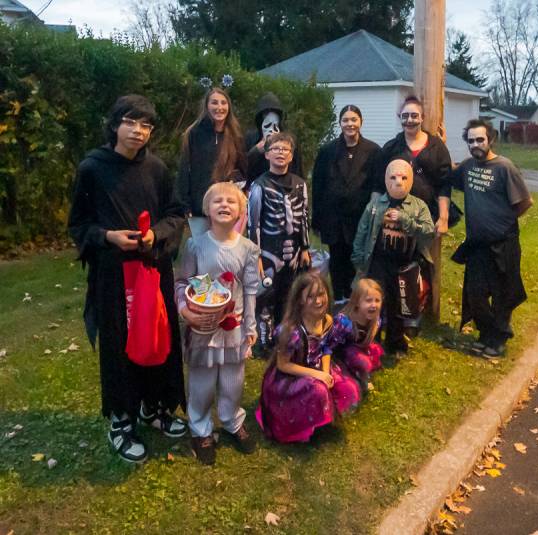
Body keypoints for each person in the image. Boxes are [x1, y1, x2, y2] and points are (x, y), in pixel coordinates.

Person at [68, 95, 186, 463]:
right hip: (115, 276)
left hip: (153, 269)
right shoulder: (93, 168)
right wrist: (108, 237)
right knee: (121, 347)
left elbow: (176, 213)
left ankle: (156, 408)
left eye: (146, 125)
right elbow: (79, 225)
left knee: (158, 338)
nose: (139, 131)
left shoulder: (157, 169)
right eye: (131, 122)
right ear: (115, 124)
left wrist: (158, 235)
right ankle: (121, 420)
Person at [175, 182, 260, 465]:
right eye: (217, 201)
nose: (224, 205)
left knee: (233, 381)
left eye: (231, 201)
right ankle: (200, 428)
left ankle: (232, 420)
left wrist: (250, 326)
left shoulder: (248, 249)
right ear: (207, 210)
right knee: (202, 383)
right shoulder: (196, 245)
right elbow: (182, 283)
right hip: (203, 328)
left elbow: (249, 289)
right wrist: (185, 309)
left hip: (233, 328)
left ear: (240, 211)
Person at [449, 119, 532, 358]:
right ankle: (485, 334)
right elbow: (448, 173)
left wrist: (503, 221)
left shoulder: (505, 167)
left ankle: (498, 340)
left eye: (480, 140)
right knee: (475, 293)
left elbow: (526, 202)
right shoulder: (468, 167)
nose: (476, 144)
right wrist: (441, 142)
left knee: (502, 293)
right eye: (471, 140)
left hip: (503, 243)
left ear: (490, 139)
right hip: (477, 244)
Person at [255, 272, 361, 443]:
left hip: (316, 367)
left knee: (348, 389)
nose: (318, 301)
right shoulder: (292, 330)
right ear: (300, 300)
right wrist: (317, 375)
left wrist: (325, 372)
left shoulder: (326, 321)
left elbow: (327, 348)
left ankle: (320, 419)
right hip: (290, 376)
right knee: (318, 390)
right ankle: (302, 426)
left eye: (321, 294)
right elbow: (283, 365)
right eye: (310, 297)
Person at [352, 159, 435, 355]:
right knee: (374, 301)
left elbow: (429, 233)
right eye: (393, 177)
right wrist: (358, 259)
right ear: (386, 179)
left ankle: (395, 342)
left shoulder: (418, 206)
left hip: (404, 264)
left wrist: (406, 220)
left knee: (399, 303)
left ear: (411, 180)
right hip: (378, 262)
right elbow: (362, 231)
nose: (398, 182)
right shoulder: (375, 205)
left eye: (404, 177)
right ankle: (373, 339)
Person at [311, 105, 381, 304]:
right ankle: (339, 297)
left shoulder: (373, 151)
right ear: (340, 123)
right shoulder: (327, 151)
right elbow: (318, 185)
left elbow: (377, 183)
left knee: (356, 258)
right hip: (333, 217)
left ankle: (356, 296)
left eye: (354, 119)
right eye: (346, 120)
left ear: (360, 122)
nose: (350, 124)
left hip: (359, 218)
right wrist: (316, 220)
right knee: (336, 257)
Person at [247, 132, 311, 336]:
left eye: (285, 149)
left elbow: (304, 218)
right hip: (268, 250)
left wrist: (305, 248)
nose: (280, 153)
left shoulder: (300, 184)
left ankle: (284, 335)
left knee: (289, 294)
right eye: (275, 149)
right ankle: (264, 339)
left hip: (294, 251)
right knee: (266, 294)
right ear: (266, 155)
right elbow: (253, 224)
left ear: (291, 156)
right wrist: (255, 254)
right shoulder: (259, 186)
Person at [374, 95, 452, 236]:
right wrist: (375, 212)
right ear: (400, 118)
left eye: (414, 116)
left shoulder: (437, 147)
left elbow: (444, 184)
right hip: (396, 215)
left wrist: (443, 217)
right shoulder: (391, 148)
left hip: (429, 216)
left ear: (422, 117)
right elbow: (379, 182)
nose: (409, 120)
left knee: (427, 257)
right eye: (405, 116)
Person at [177, 87, 247, 218]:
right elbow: (184, 169)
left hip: (226, 206)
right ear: (207, 106)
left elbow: (242, 170)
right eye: (214, 102)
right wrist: (184, 204)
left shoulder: (235, 135)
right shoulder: (194, 133)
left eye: (223, 103)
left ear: (229, 107)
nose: (219, 107)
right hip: (200, 205)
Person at [330, 278, 384, 388]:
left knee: (374, 349)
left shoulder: (376, 320)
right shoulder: (344, 322)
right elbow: (328, 347)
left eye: (377, 300)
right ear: (357, 302)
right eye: (368, 300)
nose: (374, 305)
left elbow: (367, 341)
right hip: (338, 356)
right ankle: (348, 373)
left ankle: (360, 371)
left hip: (357, 350)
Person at [245, 92, 304, 182]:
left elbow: (298, 170)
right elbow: (242, 168)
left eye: (275, 125)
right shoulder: (251, 138)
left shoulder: (290, 141)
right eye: (267, 124)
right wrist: (256, 151)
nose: (271, 130)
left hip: (285, 189)